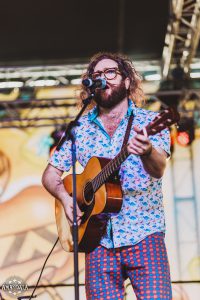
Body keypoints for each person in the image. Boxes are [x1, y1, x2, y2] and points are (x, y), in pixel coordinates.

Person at [42, 52, 172, 299]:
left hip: (144, 234)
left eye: (111, 72)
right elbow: (50, 174)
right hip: (97, 239)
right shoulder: (79, 130)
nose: (104, 78)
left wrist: (146, 151)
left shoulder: (151, 121)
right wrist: (65, 198)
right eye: (97, 74)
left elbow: (158, 169)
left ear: (126, 81)